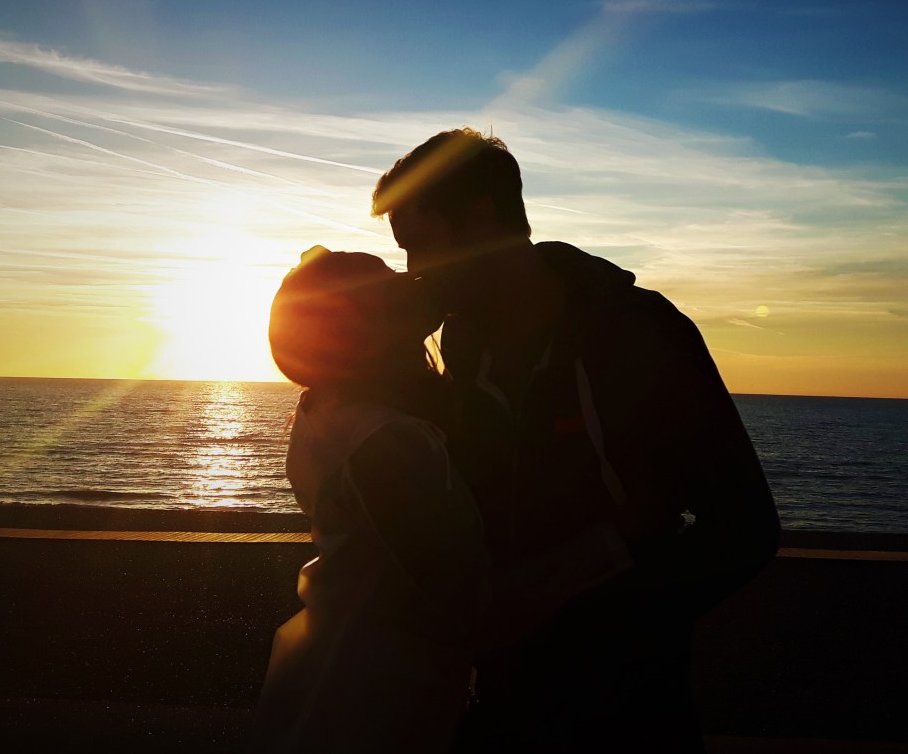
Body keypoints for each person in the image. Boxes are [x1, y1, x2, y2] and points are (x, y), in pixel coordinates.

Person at [371, 129, 781, 753]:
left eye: (418, 245)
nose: (413, 272)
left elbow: (745, 527)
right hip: (499, 704)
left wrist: (610, 623)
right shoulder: (463, 343)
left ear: (481, 218)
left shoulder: (641, 332)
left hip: (629, 716)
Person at [251, 246, 486, 754]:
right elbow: (461, 589)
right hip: (377, 688)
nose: (411, 284)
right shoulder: (385, 440)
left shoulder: (320, 410)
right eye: (390, 286)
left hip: (335, 661)